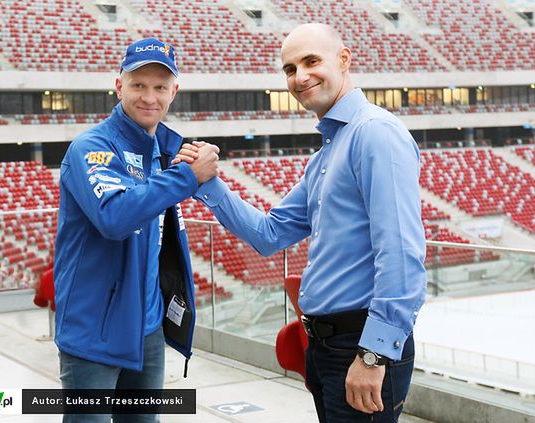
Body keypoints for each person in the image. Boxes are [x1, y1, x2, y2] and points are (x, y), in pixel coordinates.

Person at [174, 23, 426, 422]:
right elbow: (270, 234)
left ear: (344, 60)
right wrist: (209, 183)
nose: (300, 77)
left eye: (311, 61)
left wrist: (374, 353)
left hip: (360, 344)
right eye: (290, 69)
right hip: (326, 345)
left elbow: (401, 252)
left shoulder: (374, 133)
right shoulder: (326, 153)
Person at [53, 37, 219, 423]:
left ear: (173, 92)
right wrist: (186, 176)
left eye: (160, 87)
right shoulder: (91, 147)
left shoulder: (162, 151)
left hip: (148, 327)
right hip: (93, 331)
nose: (149, 97)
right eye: (138, 85)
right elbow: (115, 217)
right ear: (118, 86)